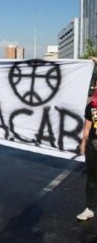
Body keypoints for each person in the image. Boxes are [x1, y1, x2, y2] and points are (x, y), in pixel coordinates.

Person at [76, 59, 97, 220]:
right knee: (91, 178)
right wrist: (84, 143)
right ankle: (89, 208)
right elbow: (88, 126)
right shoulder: (91, 106)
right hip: (93, 145)